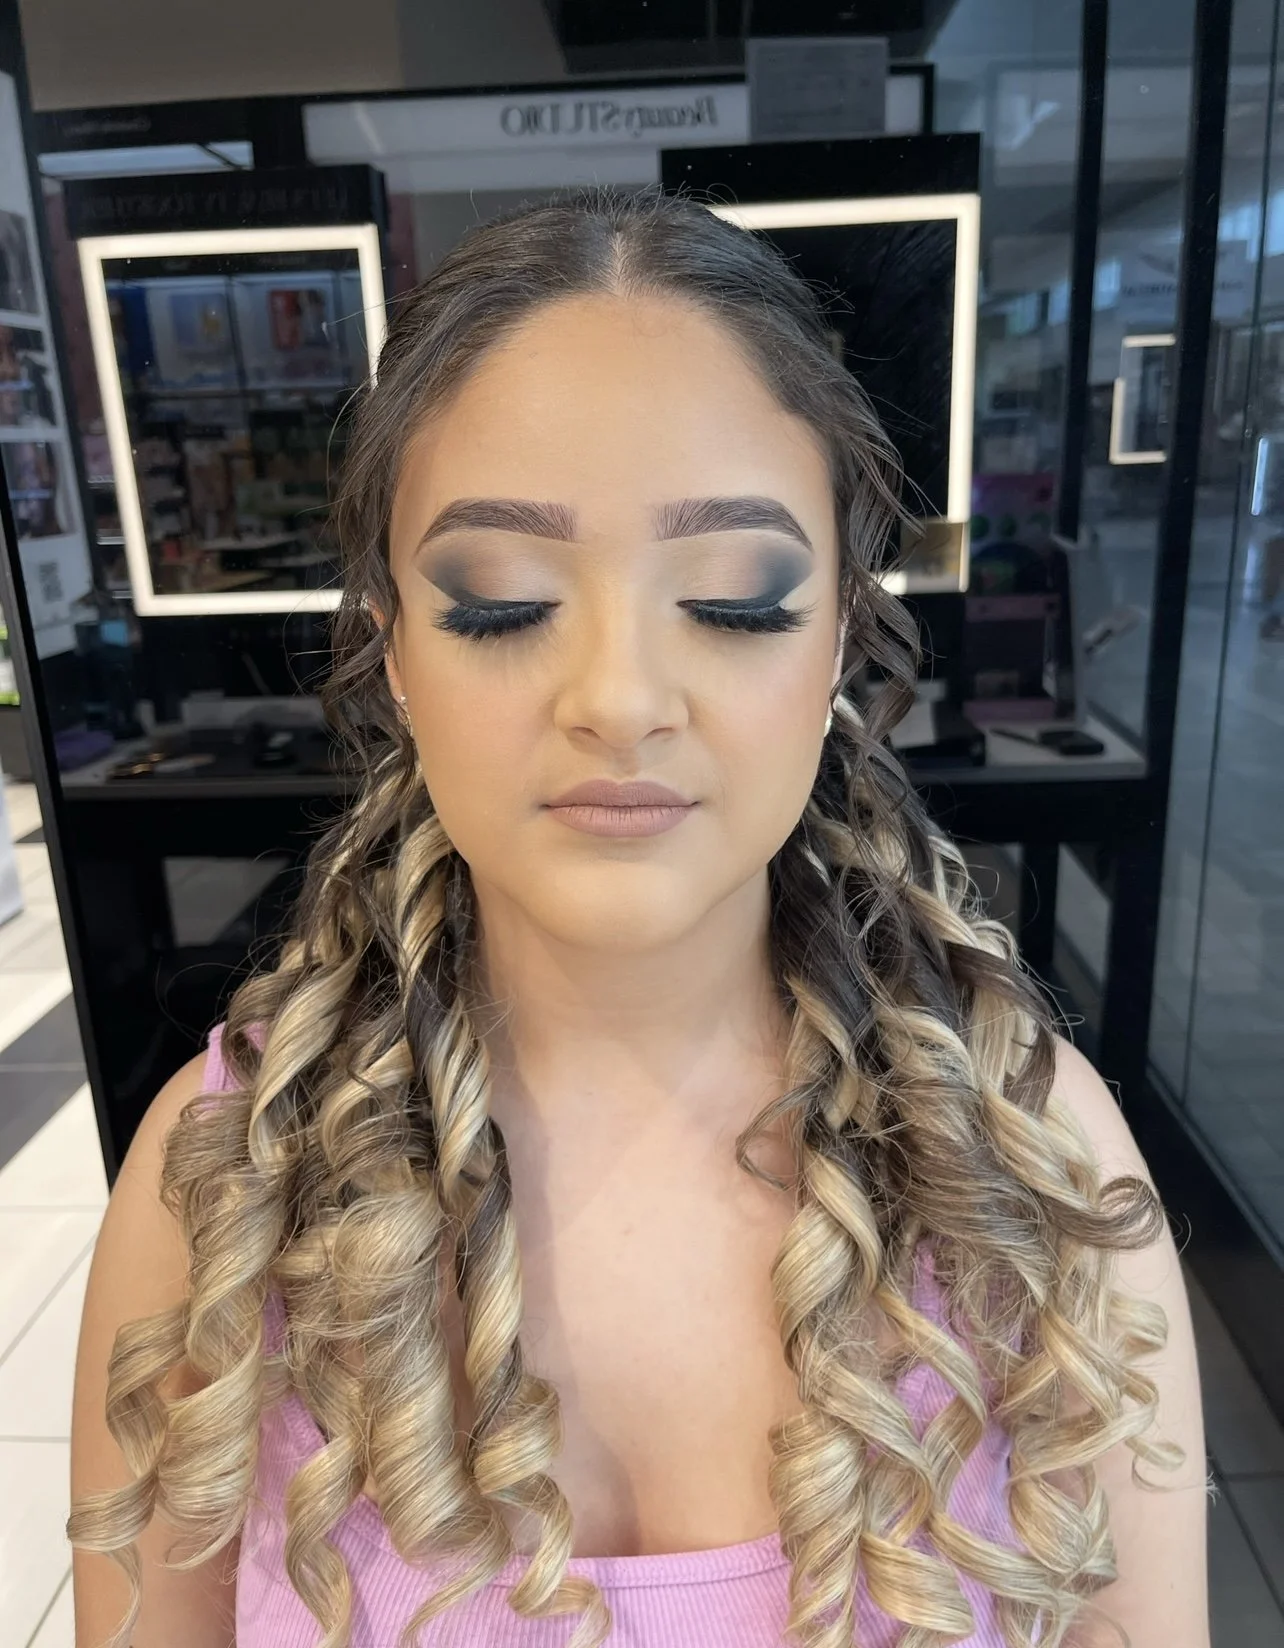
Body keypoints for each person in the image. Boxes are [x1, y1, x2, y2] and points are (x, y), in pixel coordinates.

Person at [67, 185, 1207, 1648]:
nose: (617, 698)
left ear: (842, 639)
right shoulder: (215, 1193)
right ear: (393, 648)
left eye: (733, 602)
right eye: (499, 602)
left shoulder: (1039, 1174)